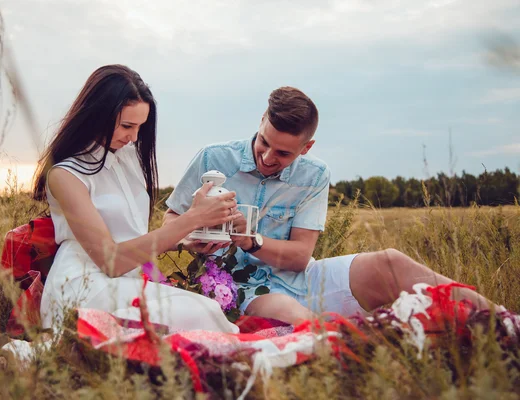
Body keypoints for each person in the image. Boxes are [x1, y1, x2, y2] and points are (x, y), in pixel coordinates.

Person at [163, 86, 503, 325]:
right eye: (264, 142)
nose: (267, 158)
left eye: (283, 154)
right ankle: (347, 344)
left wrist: (250, 240)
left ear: (306, 148)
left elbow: (299, 257)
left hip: (302, 276)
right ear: (260, 122)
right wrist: (188, 239)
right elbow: (170, 222)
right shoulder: (213, 157)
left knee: (391, 262)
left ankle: (503, 322)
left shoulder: (315, 174)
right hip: (235, 285)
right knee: (299, 318)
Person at [32, 65, 241, 333]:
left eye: (140, 127)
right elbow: (112, 260)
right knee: (200, 315)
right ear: (96, 115)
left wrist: (184, 240)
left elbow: (130, 240)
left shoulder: (127, 159)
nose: (133, 137)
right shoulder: (65, 175)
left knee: (206, 312)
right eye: (126, 126)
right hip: (83, 286)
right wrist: (193, 218)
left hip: (124, 283)